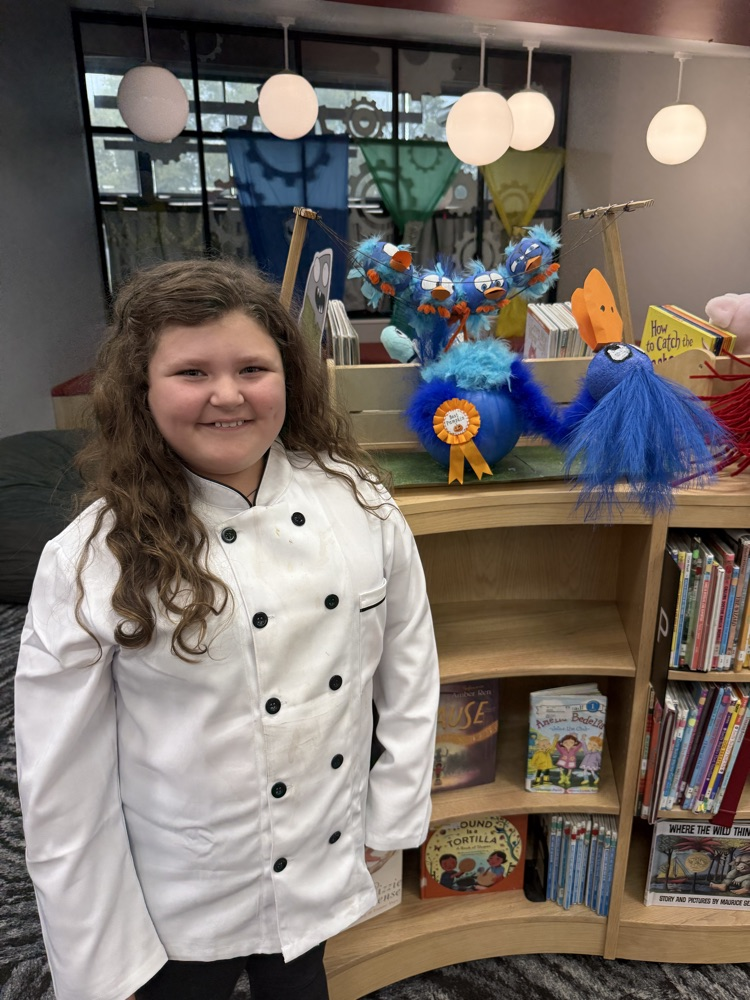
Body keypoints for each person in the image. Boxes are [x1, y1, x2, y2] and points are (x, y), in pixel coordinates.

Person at [14, 258, 440, 1000]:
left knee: (301, 983)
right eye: (190, 372)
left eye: (252, 367)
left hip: (319, 850)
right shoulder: (87, 559)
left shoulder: (362, 503)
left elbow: (410, 666)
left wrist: (393, 812)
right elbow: (62, 788)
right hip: (177, 888)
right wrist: (96, 952)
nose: (227, 395)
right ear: (140, 390)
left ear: (290, 378)